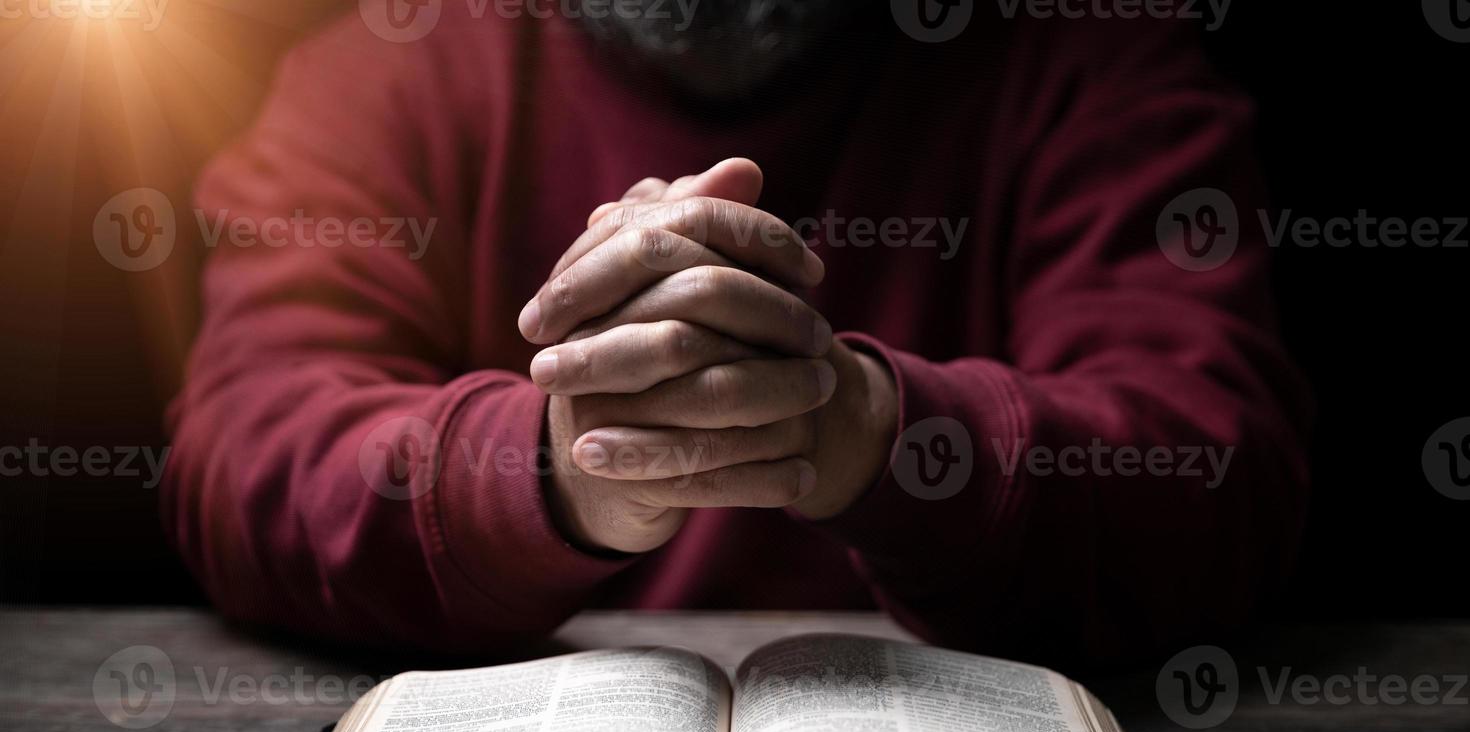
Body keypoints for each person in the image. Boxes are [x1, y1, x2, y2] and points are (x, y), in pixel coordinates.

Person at [162, 3, 1310, 663]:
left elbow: (1220, 468)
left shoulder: (1092, 59)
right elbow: (244, 450)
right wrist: (560, 464)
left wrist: (863, 427)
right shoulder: (376, 77)